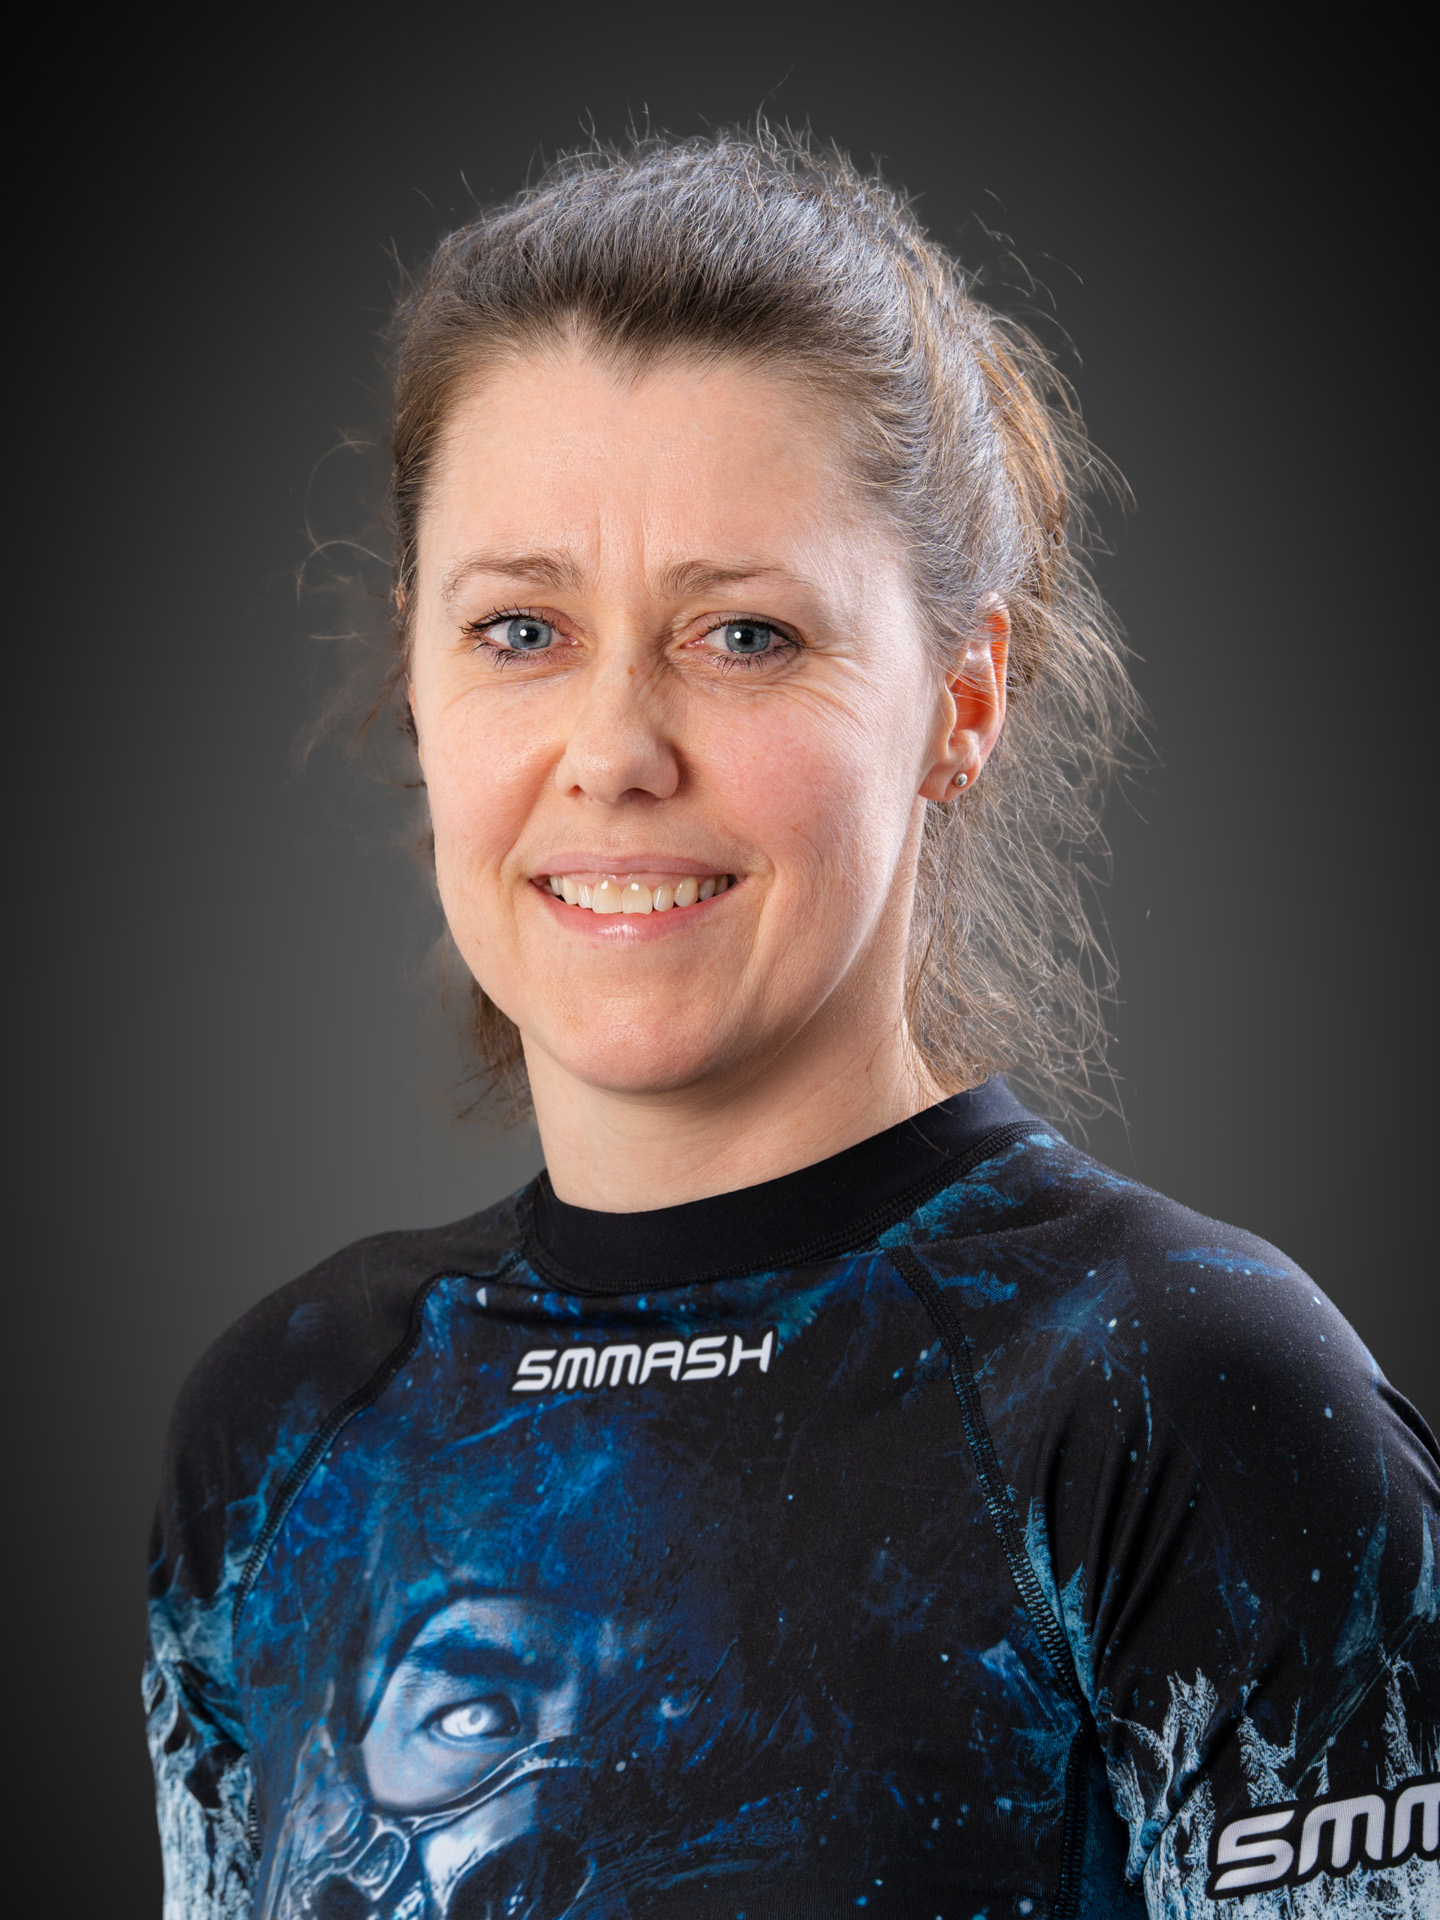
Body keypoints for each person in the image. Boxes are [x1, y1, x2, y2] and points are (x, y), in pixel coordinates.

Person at [145, 130, 1439, 1920]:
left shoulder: (1180, 1395)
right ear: (421, 680)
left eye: (743, 636)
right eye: (520, 629)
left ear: (962, 700)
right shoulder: (283, 1423)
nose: (614, 749)